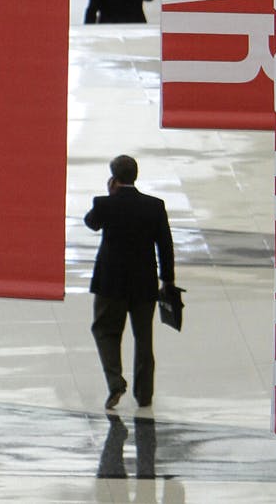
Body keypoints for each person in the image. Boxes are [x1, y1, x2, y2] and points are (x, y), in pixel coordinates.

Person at [85, 155, 175, 409]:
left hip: (110, 283)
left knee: (105, 331)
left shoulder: (105, 204)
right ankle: (144, 395)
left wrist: (109, 196)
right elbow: (165, 246)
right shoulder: (154, 206)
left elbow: (91, 224)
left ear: (114, 178)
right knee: (143, 338)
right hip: (143, 284)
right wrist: (167, 279)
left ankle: (115, 382)